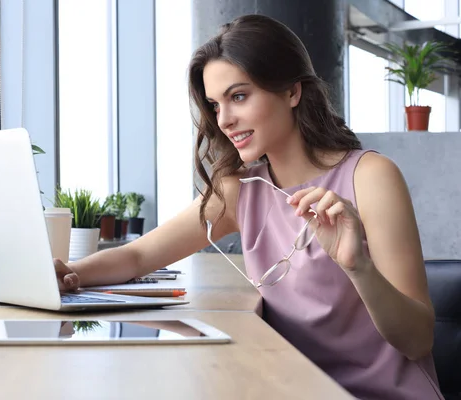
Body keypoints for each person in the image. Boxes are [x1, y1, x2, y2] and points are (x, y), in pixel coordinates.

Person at [53, 14, 443, 400]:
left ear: (292, 91)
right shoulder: (240, 192)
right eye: (215, 104)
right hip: (289, 389)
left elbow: (417, 341)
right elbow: (139, 256)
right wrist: (67, 274)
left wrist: (359, 268)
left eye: (238, 96)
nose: (224, 119)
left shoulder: (370, 176)